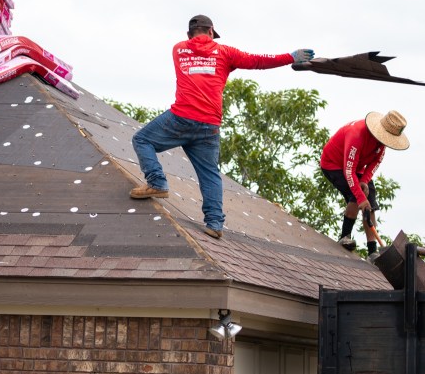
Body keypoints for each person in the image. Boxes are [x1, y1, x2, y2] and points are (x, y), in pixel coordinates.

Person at [129, 14, 314, 239]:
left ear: (189, 34)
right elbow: (257, 61)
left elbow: (202, 64)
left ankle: (157, 182)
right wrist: (290, 57)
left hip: (181, 117)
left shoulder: (178, 49)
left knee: (142, 140)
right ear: (211, 32)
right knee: (209, 174)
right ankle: (215, 223)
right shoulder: (225, 53)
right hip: (209, 125)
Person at [320, 110, 409, 254]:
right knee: (356, 196)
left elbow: (374, 164)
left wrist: (365, 181)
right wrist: (361, 197)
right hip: (334, 164)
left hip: (357, 167)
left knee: (370, 201)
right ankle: (344, 236)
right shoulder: (357, 135)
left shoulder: (381, 145)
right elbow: (349, 170)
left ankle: (372, 251)